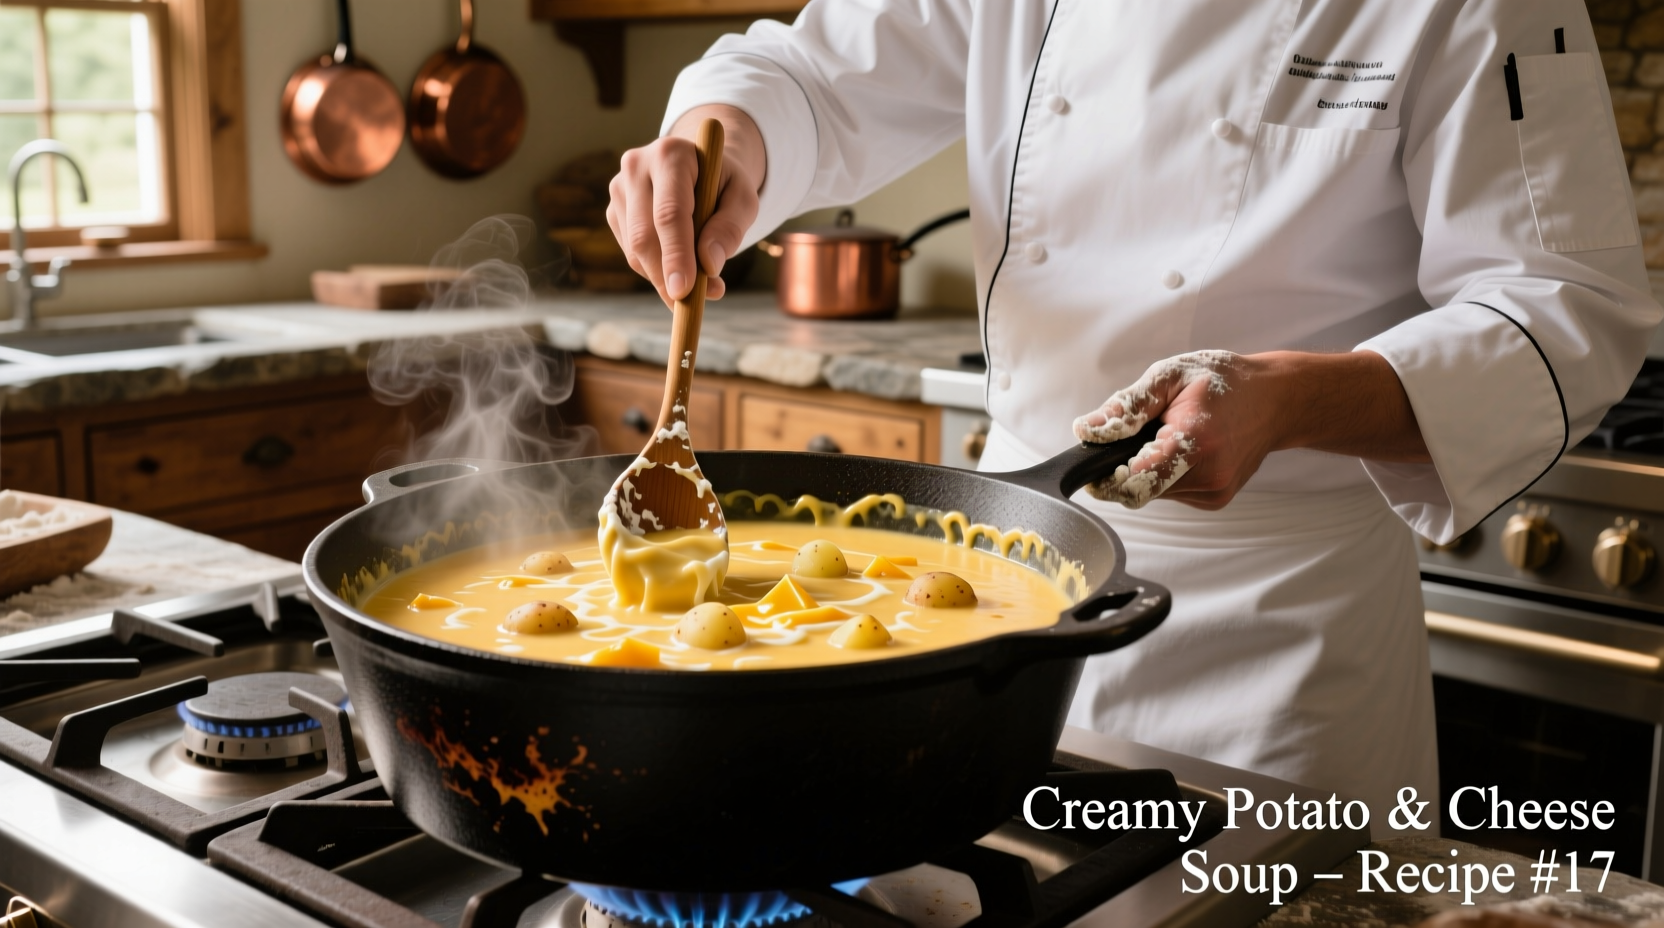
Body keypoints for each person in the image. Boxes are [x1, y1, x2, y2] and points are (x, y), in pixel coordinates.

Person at [605, 0, 1663, 829]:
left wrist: (1287, 399)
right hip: (1002, 605)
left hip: (1277, 643)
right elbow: (817, 75)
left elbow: (1566, 308)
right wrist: (718, 142)